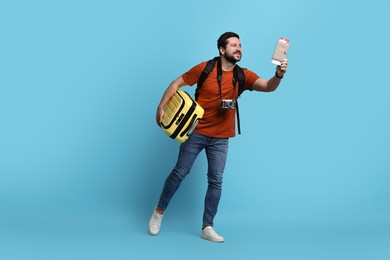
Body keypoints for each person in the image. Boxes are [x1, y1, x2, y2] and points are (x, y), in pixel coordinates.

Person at [149, 32, 288, 242]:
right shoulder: (205, 68)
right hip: (195, 132)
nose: (238, 48)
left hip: (221, 138)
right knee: (179, 173)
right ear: (222, 50)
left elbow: (268, 87)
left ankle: (207, 227)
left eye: (240, 45)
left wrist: (278, 75)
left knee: (216, 181)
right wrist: (161, 105)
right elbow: (176, 83)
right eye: (233, 45)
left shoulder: (243, 75)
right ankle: (158, 213)